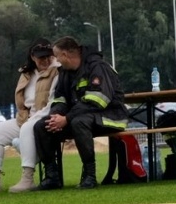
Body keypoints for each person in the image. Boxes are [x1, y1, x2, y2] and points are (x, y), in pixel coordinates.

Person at [33, 36, 129, 190]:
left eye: (57, 56)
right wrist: (56, 117)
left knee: (79, 122)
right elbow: (60, 98)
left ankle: (89, 175)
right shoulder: (65, 72)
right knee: (41, 126)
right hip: (80, 117)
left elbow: (98, 100)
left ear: (65, 55)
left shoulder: (97, 67)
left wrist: (67, 118)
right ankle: (52, 176)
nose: (56, 61)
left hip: (111, 117)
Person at [0, 40, 62, 194]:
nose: (45, 60)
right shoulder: (26, 73)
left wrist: (32, 119)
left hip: (44, 117)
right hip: (25, 117)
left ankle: (28, 178)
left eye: (48, 57)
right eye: (41, 57)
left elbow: (52, 103)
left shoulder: (57, 72)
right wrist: (24, 117)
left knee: (26, 128)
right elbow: (22, 102)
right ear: (32, 57)